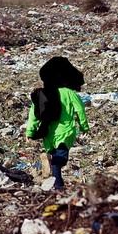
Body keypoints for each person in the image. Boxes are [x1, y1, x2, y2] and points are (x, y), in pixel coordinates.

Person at [25, 57, 89, 191]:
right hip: (64, 132)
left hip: (47, 133)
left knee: (55, 160)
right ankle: (58, 184)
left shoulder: (42, 93)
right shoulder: (69, 93)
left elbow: (34, 115)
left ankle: (57, 182)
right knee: (60, 160)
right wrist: (84, 126)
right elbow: (80, 109)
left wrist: (30, 132)